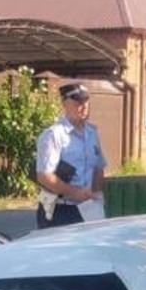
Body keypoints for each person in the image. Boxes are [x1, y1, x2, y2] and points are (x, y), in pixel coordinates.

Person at [33, 82, 107, 229]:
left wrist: (96, 195)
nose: (83, 106)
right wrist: (75, 192)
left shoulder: (92, 132)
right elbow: (44, 175)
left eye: (86, 101)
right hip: (60, 209)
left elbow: (98, 168)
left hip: (88, 209)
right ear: (64, 104)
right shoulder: (54, 135)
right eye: (77, 102)